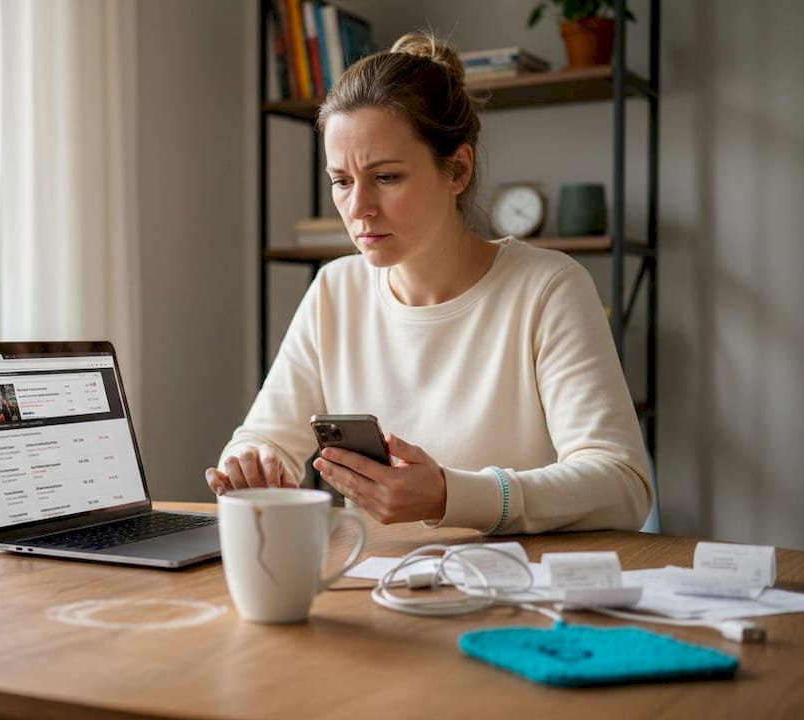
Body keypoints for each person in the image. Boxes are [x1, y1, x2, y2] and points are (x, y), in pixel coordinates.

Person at [204, 31, 651, 534]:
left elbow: (622, 485)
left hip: (511, 593)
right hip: (374, 595)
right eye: (342, 181)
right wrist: (252, 461)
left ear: (457, 169)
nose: (358, 209)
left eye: (387, 177)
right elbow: (265, 440)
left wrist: (449, 496)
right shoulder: (334, 290)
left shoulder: (548, 288)